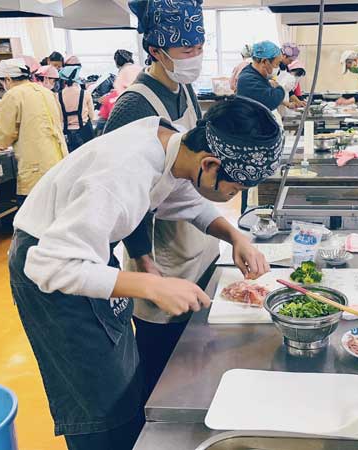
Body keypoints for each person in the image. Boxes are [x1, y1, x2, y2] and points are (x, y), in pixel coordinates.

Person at [9, 96, 280, 449]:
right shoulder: (121, 173)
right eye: (237, 188)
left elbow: (187, 200)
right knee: (97, 399)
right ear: (210, 163)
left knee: (123, 382)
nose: (234, 194)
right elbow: (48, 265)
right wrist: (151, 285)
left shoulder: (175, 147)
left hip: (85, 255)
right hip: (51, 266)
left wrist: (235, 237)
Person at [105, 0, 221, 415]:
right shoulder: (134, 106)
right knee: (163, 362)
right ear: (156, 50)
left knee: (194, 352)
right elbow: (124, 195)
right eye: (187, 49)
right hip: (160, 252)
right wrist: (143, 259)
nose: (196, 56)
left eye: (200, 46)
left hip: (194, 239)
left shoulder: (183, 88)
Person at [0, 59, 68, 204]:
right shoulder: (46, 92)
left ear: (7, 79)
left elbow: (4, 133)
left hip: (37, 166)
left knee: (33, 210)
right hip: (59, 159)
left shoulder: (13, 95)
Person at [236, 41, 296, 125]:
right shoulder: (248, 79)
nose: (277, 68)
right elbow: (272, 100)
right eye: (277, 64)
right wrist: (279, 88)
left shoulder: (257, 76)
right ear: (264, 61)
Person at [57, 66, 96, 152]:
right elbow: (92, 116)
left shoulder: (58, 96)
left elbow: (59, 118)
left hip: (67, 134)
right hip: (85, 132)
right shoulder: (85, 94)